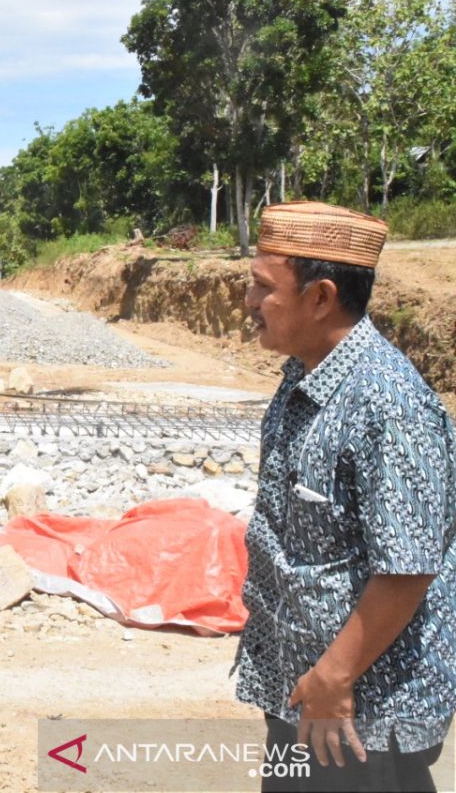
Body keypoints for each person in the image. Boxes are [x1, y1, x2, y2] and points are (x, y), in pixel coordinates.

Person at [234, 202, 455, 792]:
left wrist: (334, 676)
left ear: (321, 297)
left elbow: (408, 568)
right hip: (306, 689)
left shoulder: (388, 406)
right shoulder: (303, 374)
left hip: (361, 708)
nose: (249, 302)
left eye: (262, 287)